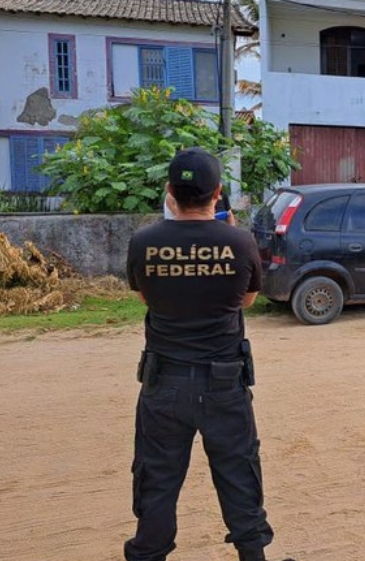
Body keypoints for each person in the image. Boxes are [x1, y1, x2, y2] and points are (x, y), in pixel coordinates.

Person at [125, 147, 290, 561]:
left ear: (169, 192)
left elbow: (148, 298)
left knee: (157, 478)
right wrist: (228, 238)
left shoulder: (144, 242)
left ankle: (149, 554)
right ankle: (253, 556)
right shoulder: (239, 241)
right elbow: (248, 300)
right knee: (239, 472)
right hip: (224, 384)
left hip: (164, 384)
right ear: (217, 193)